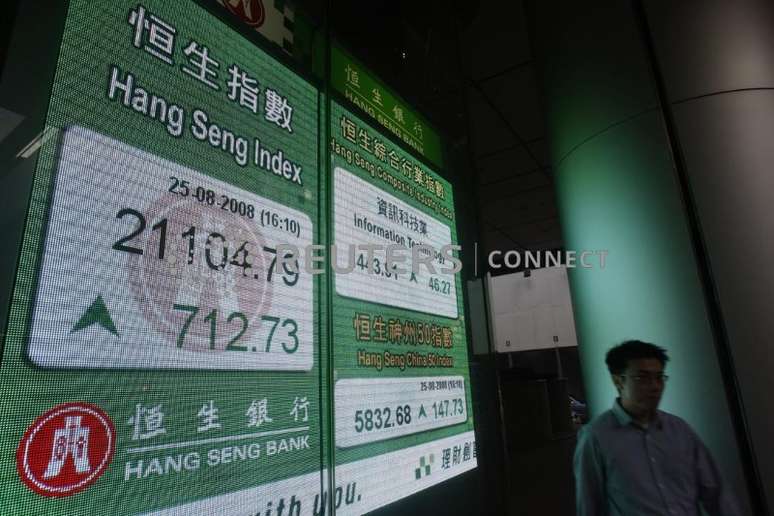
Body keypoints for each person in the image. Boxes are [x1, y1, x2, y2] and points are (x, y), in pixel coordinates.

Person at [574, 340, 741, 515]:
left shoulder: (679, 430)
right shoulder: (596, 437)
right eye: (643, 378)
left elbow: (716, 492)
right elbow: (589, 506)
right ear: (618, 381)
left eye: (659, 377)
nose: (655, 386)